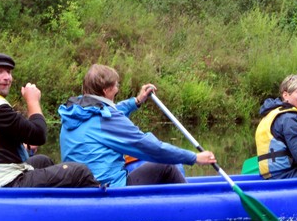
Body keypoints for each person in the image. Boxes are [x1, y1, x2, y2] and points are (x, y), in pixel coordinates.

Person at [0, 53, 99, 188]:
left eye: (8, 72)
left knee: (42, 161)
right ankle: (102, 204)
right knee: (79, 172)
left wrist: (20, 145)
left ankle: (49, 204)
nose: (6, 77)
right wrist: (32, 101)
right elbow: (38, 135)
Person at [58, 64, 217, 187]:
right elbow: (151, 148)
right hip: (108, 190)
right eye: (116, 86)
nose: (118, 89)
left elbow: (111, 113)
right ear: (106, 90)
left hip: (81, 187)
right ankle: (191, 206)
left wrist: (137, 101)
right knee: (167, 165)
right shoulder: (106, 119)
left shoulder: (75, 112)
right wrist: (194, 157)